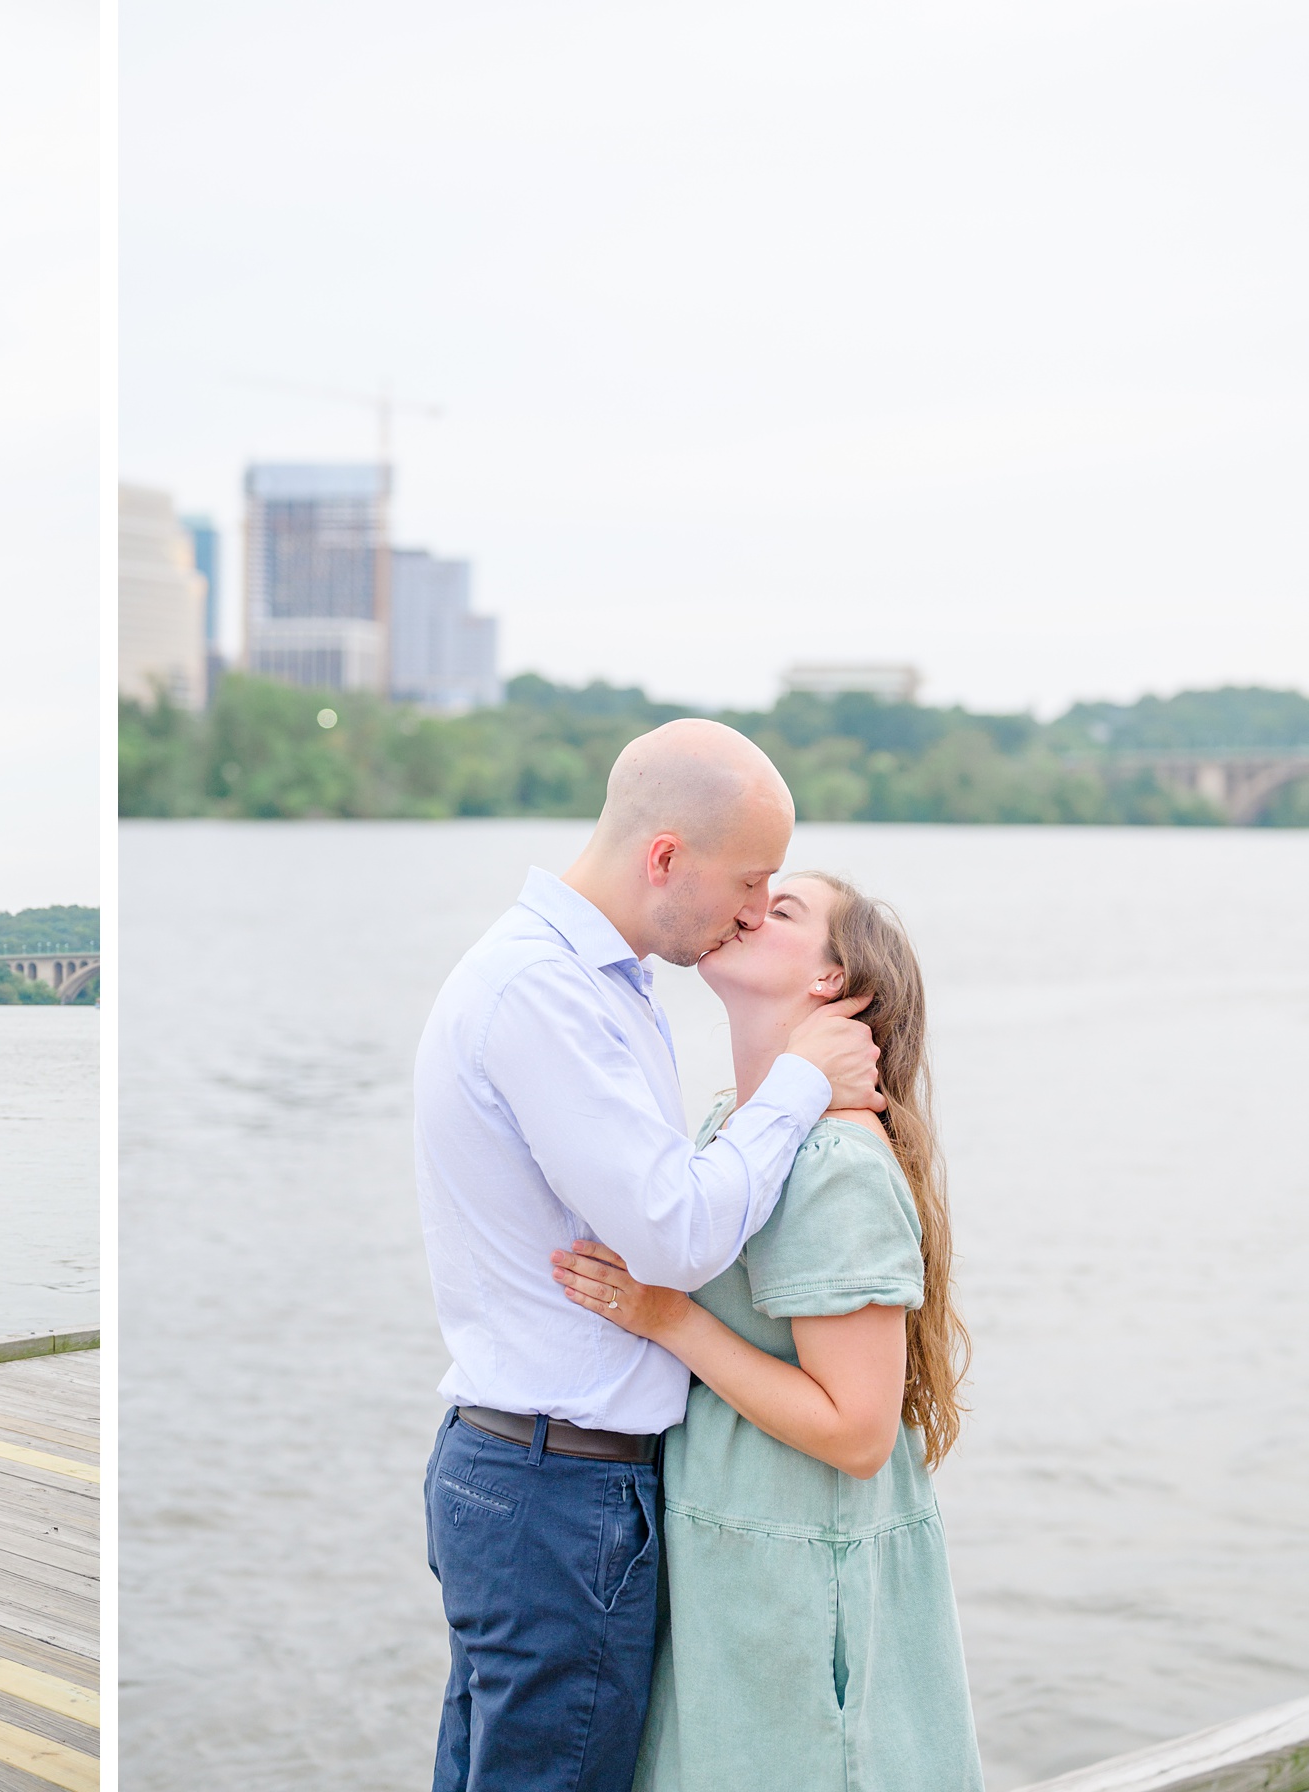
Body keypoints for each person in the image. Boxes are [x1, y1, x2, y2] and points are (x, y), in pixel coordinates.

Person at [412, 719, 883, 1792]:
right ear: (667, 856)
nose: (757, 909)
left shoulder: (594, 982)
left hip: (536, 1475)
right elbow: (673, 1232)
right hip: (557, 1490)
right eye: (752, 879)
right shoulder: (547, 991)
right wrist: (803, 1082)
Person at [551, 872, 980, 1790]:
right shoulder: (730, 1127)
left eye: (782, 913)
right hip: (734, 1572)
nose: (749, 911)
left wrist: (665, 1319)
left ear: (835, 984)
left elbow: (859, 1433)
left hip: (800, 1591)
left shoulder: (833, 1160)